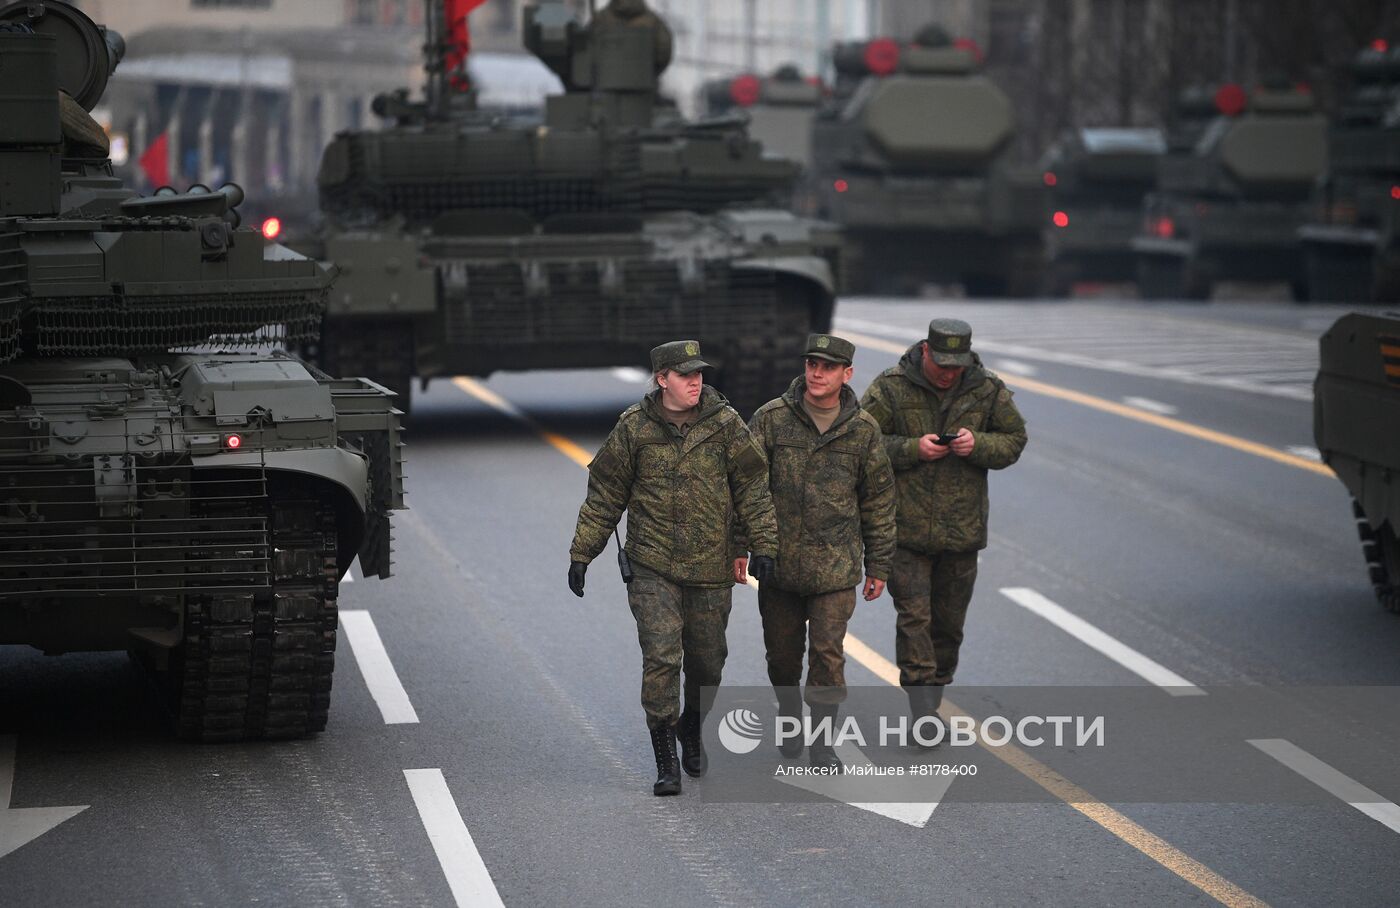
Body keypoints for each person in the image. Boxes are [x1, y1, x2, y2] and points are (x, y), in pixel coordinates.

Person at [568, 340, 779, 796]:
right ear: (663, 379)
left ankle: (691, 727)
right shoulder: (634, 428)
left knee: (708, 664)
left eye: (699, 374)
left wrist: (762, 545)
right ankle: (666, 761)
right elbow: (605, 494)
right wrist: (583, 554)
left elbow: (753, 489)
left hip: (710, 566)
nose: (695, 382)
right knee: (662, 659)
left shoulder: (725, 424)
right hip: (652, 565)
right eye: (685, 375)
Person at [860, 319, 1027, 737]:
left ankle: (936, 688)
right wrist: (911, 448)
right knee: (914, 618)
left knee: (948, 625)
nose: (949, 373)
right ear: (926, 351)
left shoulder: (987, 389)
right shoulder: (891, 386)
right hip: (906, 530)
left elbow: (1014, 439)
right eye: (942, 364)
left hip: (961, 531)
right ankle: (923, 709)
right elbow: (859, 442)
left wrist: (980, 445)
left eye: (957, 365)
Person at [736, 334, 896, 769]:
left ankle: (823, 743)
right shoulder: (771, 419)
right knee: (782, 660)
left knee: (828, 656)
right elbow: (745, 487)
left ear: (847, 374)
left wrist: (879, 564)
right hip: (778, 565)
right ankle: (791, 718)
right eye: (811, 364)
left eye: (827, 367)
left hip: (836, 567)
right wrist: (740, 547)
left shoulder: (863, 429)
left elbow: (878, 500)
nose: (817, 373)